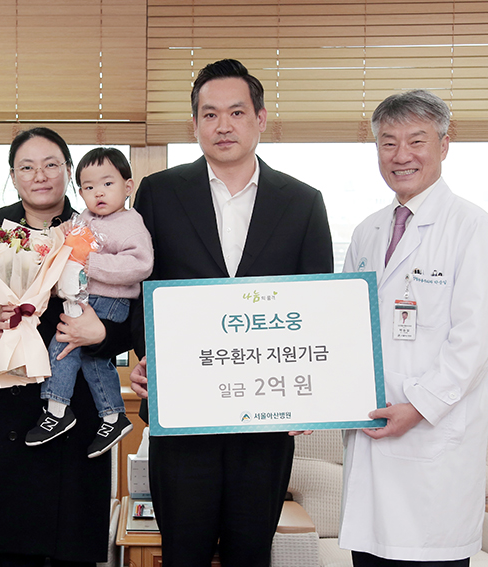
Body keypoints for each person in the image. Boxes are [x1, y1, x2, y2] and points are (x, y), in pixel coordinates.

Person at [129, 59, 333, 567]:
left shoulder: (303, 202)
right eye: (210, 114)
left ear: (260, 119)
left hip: (266, 418)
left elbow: (316, 306)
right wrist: (145, 354)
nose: (223, 125)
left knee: (250, 554)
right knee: (183, 554)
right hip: (183, 412)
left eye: (237, 112)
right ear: (195, 123)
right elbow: (138, 289)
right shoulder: (159, 193)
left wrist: (311, 391)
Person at [0, 128, 133, 567]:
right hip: (6, 408)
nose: (40, 175)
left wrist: (102, 334)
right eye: (27, 167)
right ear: (13, 175)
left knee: (72, 546)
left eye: (51, 164)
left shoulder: (96, 228)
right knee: (13, 547)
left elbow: (133, 316)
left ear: (68, 171)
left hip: (75, 407)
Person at [339, 90, 488, 566]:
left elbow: (477, 339)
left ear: (444, 145)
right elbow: (347, 328)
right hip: (372, 443)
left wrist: (418, 407)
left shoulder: (473, 228)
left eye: (416, 141)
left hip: (433, 452)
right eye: (388, 143)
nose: (401, 155)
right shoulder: (368, 232)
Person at [26, 147, 153, 458]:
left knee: (63, 346)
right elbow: (70, 244)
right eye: (89, 186)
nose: (99, 192)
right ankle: (113, 417)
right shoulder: (85, 218)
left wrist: (91, 264)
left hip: (111, 300)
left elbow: (141, 265)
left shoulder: (130, 223)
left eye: (108, 184)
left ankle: (57, 411)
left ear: (128, 186)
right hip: (85, 297)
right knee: (92, 359)